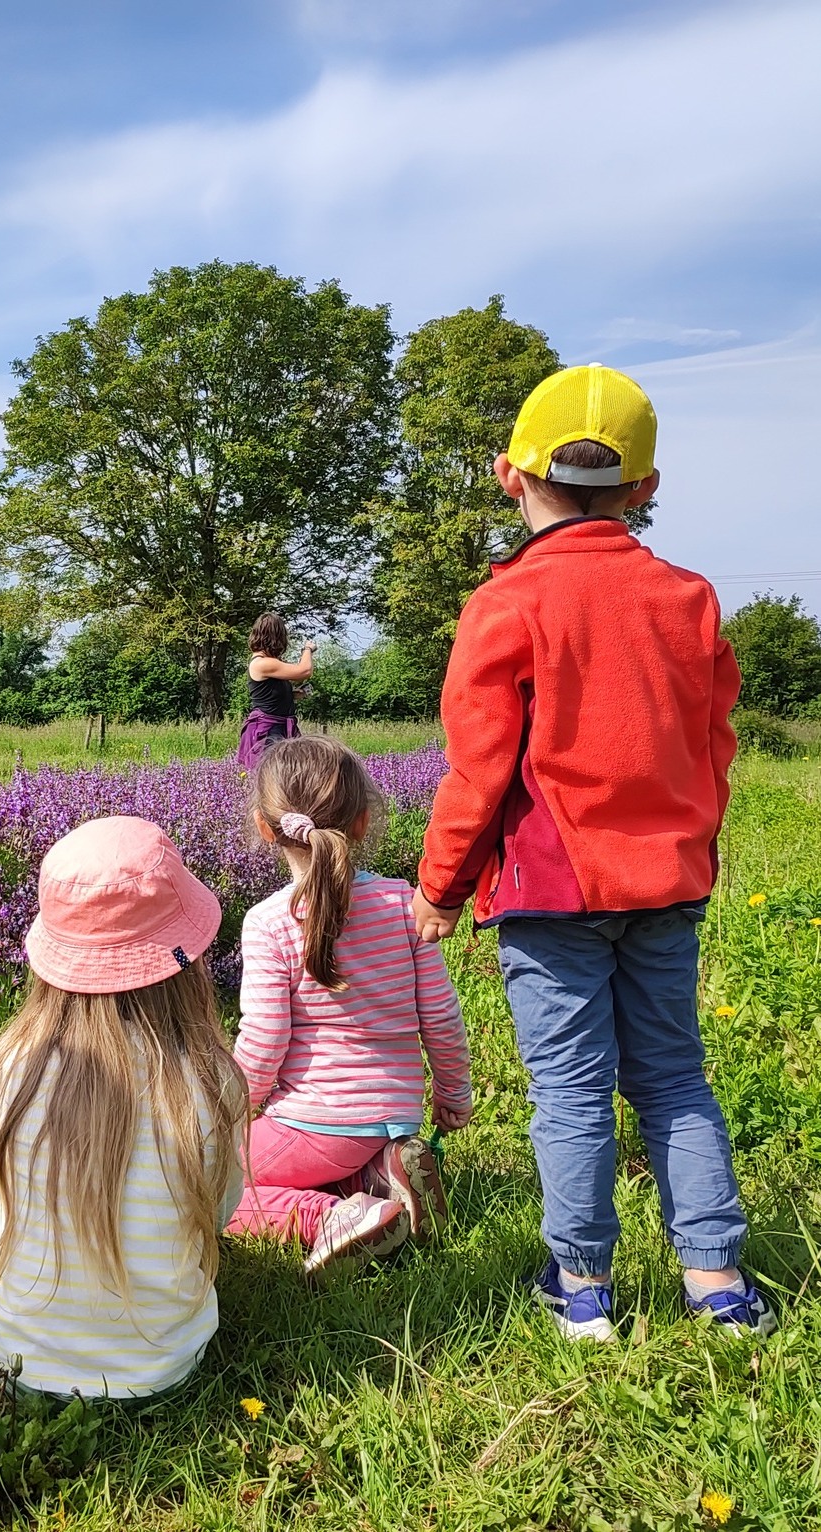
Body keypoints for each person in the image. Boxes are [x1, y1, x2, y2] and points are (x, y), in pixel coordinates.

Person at [412, 364, 773, 1341]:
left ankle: (582, 1289)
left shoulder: (502, 604)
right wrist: (685, 845)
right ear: (644, 489)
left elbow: (477, 769)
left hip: (546, 887)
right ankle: (717, 1284)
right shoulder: (687, 599)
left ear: (507, 474)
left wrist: (438, 883)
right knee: (670, 1076)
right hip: (663, 883)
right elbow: (712, 746)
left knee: (569, 1091)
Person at [0, 816, 247, 1399]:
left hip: (5, 1355)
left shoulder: (16, 1063)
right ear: (184, 966)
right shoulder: (211, 1081)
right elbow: (215, 1212)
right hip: (157, 1372)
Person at [227, 736, 473, 1272]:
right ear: (363, 822)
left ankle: (332, 1218)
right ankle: (380, 1174)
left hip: (316, 1122)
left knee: (202, 1185)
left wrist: (231, 1111)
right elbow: (441, 1016)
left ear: (266, 829)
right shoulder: (401, 903)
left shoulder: (269, 922)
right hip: (395, 1113)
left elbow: (265, 1042)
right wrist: (453, 1093)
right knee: (322, 1157)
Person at [237, 612, 314, 770]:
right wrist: (307, 649)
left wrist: (292, 695)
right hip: (268, 730)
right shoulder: (262, 663)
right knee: (273, 777)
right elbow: (304, 671)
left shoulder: (270, 663)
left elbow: (268, 695)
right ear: (276, 637)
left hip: (279, 727)